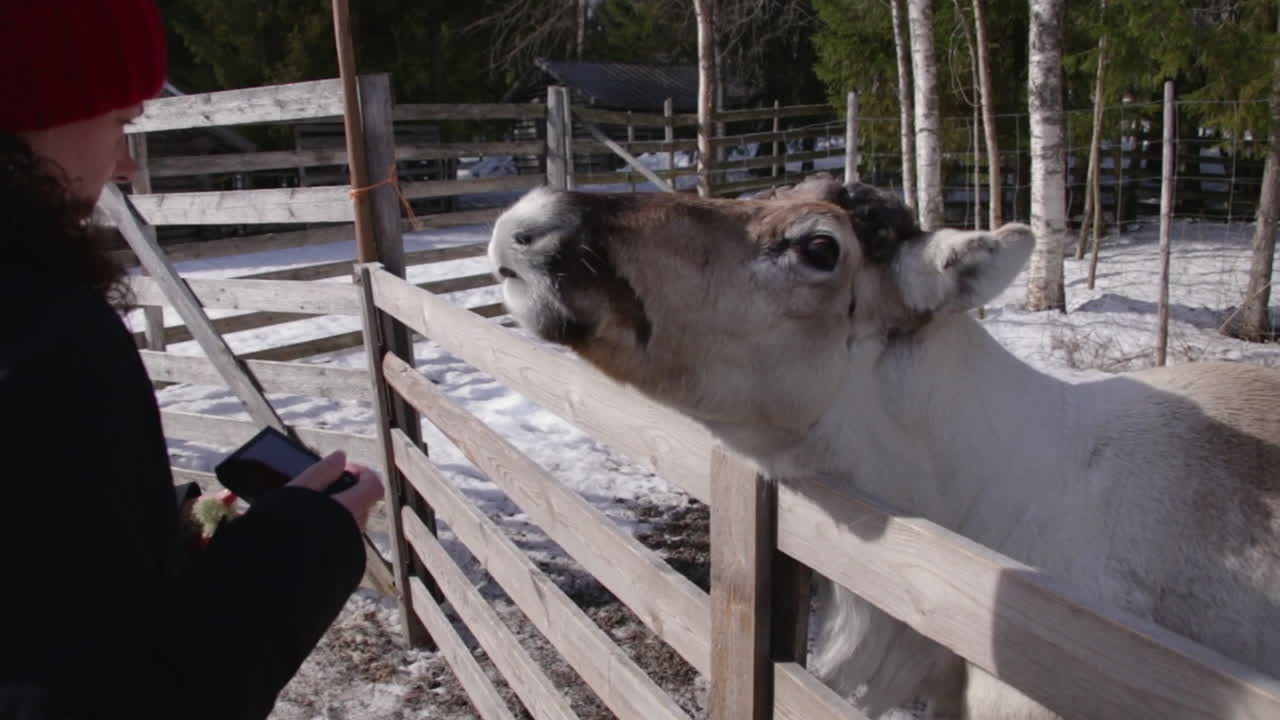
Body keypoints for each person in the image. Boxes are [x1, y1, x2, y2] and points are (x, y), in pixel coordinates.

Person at [0, 1, 385, 718]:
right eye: (118, 122)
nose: (125, 164)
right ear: (32, 109)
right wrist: (304, 543)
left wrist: (152, 543)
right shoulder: (48, 340)